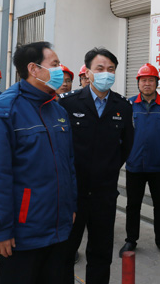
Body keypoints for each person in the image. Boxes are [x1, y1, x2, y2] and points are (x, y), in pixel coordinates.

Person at [0, 41, 77, 284]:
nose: (60, 70)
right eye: (55, 64)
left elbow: (68, 165)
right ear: (34, 69)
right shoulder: (3, 111)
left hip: (58, 228)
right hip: (22, 234)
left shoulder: (57, 110)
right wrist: (0, 230)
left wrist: (70, 207)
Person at [59, 47, 134, 284]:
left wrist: (107, 168)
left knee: (101, 253)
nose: (106, 74)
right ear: (88, 73)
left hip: (104, 193)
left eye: (111, 69)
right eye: (100, 68)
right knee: (65, 252)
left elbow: (126, 146)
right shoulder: (68, 103)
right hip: (73, 193)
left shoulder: (123, 106)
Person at [119, 63, 160, 258]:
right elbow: (121, 132)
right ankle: (131, 240)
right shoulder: (128, 105)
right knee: (133, 205)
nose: (147, 83)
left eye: (151, 80)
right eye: (143, 80)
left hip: (158, 165)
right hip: (135, 165)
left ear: (156, 83)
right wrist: (126, 152)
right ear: (138, 83)